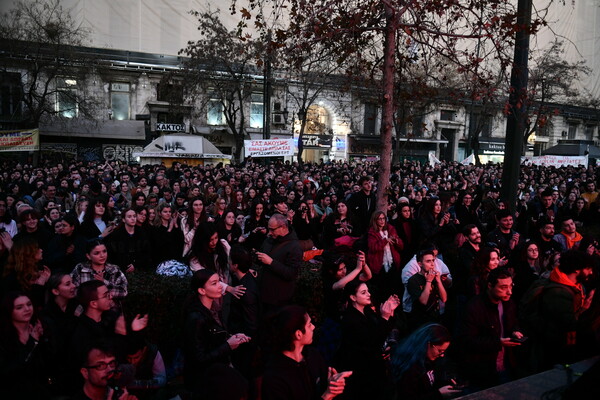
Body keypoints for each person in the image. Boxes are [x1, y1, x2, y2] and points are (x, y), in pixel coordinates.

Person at [524, 249, 596, 372]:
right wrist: (585, 309)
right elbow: (567, 324)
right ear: (576, 269)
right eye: (588, 268)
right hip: (552, 354)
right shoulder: (558, 292)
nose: (591, 272)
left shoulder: (576, 287)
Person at [262, 305, 352, 400]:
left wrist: (332, 384)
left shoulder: (312, 355)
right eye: (309, 324)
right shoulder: (275, 378)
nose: (313, 327)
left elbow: (324, 384)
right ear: (298, 334)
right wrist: (326, 396)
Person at [183, 269, 250, 397]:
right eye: (214, 283)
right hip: (206, 381)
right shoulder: (196, 318)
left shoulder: (213, 309)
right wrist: (228, 345)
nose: (220, 285)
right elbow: (198, 358)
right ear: (201, 290)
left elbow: (212, 337)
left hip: (216, 373)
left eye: (219, 281)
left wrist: (231, 338)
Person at [335, 279, 401, 400]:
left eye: (368, 291)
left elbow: (382, 331)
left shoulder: (368, 311)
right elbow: (371, 340)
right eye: (363, 292)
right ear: (353, 297)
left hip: (375, 367)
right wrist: (385, 317)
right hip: (362, 372)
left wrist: (390, 312)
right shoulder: (350, 319)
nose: (369, 294)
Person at [460, 268, 524, 390]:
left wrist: (515, 331)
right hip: (484, 369)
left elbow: (514, 322)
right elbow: (468, 341)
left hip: (507, 364)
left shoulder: (509, 303)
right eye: (504, 287)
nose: (509, 292)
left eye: (511, 286)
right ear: (490, 286)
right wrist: (497, 343)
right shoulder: (474, 307)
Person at [0, 291, 51, 398]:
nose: (27, 309)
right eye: (19, 307)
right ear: (9, 311)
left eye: (29, 304)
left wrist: (44, 340)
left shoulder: (40, 327)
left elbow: (49, 362)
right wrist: (32, 342)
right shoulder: (4, 338)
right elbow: (9, 371)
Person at [391, 323, 460, 400]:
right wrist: (438, 394)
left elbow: (429, 384)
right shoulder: (410, 367)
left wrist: (445, 384)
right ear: (428, 344)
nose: (442, 355)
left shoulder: (428, 360)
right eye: (440, 351)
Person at [255, 213, 303, 312]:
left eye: (273, 229)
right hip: (262, 294)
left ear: (283, 227)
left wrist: (271, 262)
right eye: (269, 229)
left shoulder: (294, 247)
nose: (269, 233)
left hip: (278, 299)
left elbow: (291, 274)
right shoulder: (269, 240)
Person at [74, 342, 139, 400]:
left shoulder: (117, 392)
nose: (110, 370)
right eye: (100, 366)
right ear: (85, 373)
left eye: (111, 363)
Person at [1, 236, 50, 307]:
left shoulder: (38, 270)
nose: (41, 250)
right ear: (29, 252)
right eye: (37, 248)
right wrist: (40, 284)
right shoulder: (12, 279)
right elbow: (30, 304)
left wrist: (44, 280)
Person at [366, 211, 404, 302]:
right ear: (375, 220)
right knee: (383, 289)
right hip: (380, 265)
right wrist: (385, 240)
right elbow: (373, 248)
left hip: (392, 262)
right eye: (380, 219)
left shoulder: (391, 229)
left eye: (384, 218)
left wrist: (396, 240)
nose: (382, 221)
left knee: (394, 288)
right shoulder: (372, 232)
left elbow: (401, 246)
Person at [407, 250, 448, 328]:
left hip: (435, 318)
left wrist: (438, 281)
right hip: (420, 321)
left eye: (433, 260)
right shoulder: (413, 280)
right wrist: (428, 281)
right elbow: (423, 301)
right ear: (420, 264)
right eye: (428, 261)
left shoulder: (434, 277)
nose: (432, 264)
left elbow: (444, 298)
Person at [105, 208, 153, 273]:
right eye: (129, 216)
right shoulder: (116, 234)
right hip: (120, 269)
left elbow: (146, 252)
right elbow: (112, 254)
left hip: (139, 269)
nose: (133, 218)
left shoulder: (141, 233)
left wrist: (135, 264)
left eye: (134, 216)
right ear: (124, 219)